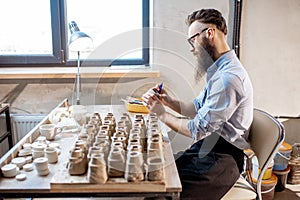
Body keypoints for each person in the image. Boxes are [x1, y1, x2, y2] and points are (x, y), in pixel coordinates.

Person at [142, 8, 253, 200]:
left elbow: (197, 129)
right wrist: (168, 102)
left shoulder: (229, 78)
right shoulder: (219, 70)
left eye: (192, 39)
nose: (191, 47)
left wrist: (161, 114)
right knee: (156, 175)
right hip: (208, 149)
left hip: (223, 159)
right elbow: (196, 109)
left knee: (163, 194)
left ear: (209, 33)